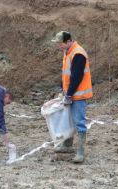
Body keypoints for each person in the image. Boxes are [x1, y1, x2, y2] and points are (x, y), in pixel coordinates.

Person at [51, 31, 93, 163]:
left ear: (68, 41)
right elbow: (66, 74)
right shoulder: (68, 51)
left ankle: (80, 152)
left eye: (60, 43)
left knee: (79, 122)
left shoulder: (78, 53)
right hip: (70, 92)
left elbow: (77, 76)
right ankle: (68, 145)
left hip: (78, 95)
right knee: (69, 120)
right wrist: (62, 89)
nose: (59, 46)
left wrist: (69, 94)